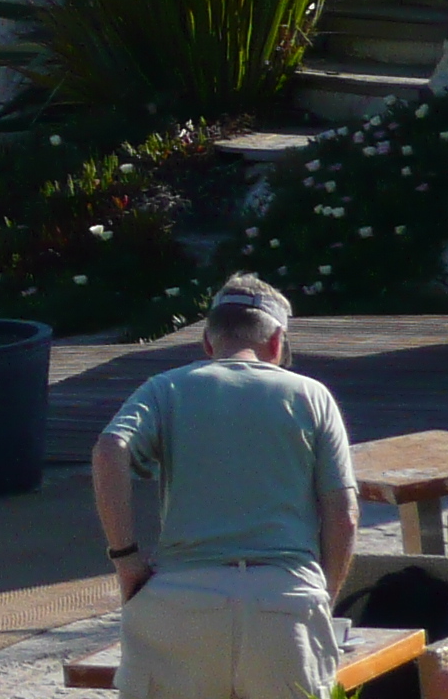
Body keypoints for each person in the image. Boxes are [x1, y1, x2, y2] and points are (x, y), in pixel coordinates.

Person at [93, 274, 358, 699]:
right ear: (276, 343)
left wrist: (126, 559)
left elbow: (110, 450)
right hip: (284, 596)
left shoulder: (166, 388)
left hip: (182, 597)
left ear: (207, 343)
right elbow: (343, 516)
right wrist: (321, 596)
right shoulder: (312, 395)